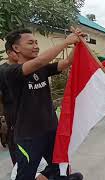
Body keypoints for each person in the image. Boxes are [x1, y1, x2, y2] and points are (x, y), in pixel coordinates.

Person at [3, 28, 81, 180]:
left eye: (37, 42)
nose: (36, 46)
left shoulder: (42, 68)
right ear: (16, 48)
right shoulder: (11, 72)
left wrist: (78, 44)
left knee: (60, 169)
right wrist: (66, 42)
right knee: (25, 175)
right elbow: (40, 60)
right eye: (30, 43)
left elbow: (67, 62)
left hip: (51, 130)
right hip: (28, 136)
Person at [0, 49, 19, 165]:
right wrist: (2, 118)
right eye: (16, 51)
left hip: (28, 113)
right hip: (11, 113)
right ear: (9, 52)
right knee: (15, 142)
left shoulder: (27, 67)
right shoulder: (2, 71)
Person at [11, 158, 84, 180]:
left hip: (48, 174)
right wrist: (37, 175)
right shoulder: (31, 153)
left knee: (78, 176)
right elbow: (14, 175)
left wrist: (66, 166)